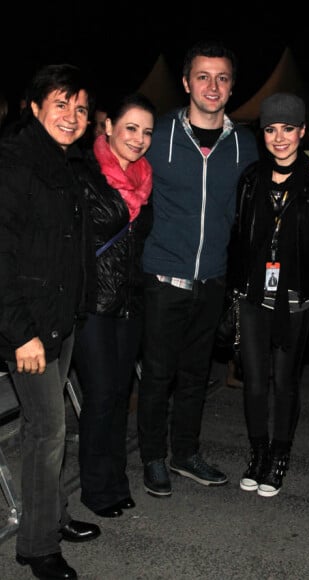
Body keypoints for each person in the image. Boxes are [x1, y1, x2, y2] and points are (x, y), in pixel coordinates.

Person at [137, 39, 259, 497]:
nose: (213, 85)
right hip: (162, 278)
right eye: (203, 76)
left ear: (231, 88)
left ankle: (184, 453)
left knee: (194, 377)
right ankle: (153, 457)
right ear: (187, 82)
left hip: (212, 280)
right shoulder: (159, 132)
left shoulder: (244, 144)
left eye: (222, 78)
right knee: (158, 374)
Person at [0, 63, 101, 580]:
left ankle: (53, 516)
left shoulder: (66, 162)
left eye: (80, 107)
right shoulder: (16, 163)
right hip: (30, 329)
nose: (71, 115)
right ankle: (37, 547)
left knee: (53, 429)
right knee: (47, 431)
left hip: (60, 320)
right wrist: (21, 333)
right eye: (61, 104)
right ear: (36, 107)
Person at [71, 93, 156, 518]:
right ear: (108, 128)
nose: (139, 139)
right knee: (101, 395)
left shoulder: (146, 178)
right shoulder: (84, 173)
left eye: (146, 131)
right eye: (130, 128)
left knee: (120, 394)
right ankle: (96, 488)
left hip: (129, 305)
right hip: (92, 306)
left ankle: (117, 479)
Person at [229, 92, 309, 497]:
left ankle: (280, 455)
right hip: (253, 296)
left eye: (287, 128)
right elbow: (237, 237)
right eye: (270, 129)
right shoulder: (250, 179)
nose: (279, 137)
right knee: (254, 384)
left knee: (285, 383)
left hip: (295, 298)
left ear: (302, 132)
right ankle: (259, 452)